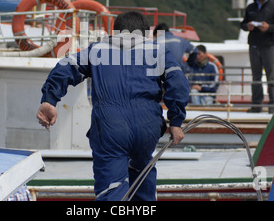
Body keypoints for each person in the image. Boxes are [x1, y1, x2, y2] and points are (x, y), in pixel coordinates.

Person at [36, 11, 189, 201]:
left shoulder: (96, 50)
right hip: (147, 126)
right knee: (142, 179)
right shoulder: (159, 51)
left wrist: (49, 100)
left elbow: (66, 67)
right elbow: (178, 82)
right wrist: (175, 121)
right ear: (146, 34)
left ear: (115, 32)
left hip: (110, 126)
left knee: (112, 190)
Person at [240, 0, 274, 113]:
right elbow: (242, 24)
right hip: (254, 46)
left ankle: (273, 105)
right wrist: (247, 26)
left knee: (271, 76)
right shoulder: (250, 8)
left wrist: (269, 27)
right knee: (256, 77)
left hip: (268, 46)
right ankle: (256, 105)